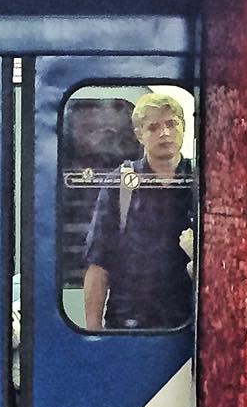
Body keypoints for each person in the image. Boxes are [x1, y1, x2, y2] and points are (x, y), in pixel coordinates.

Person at [83, 93, 195, 331]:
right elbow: (98, 265)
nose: (165, 133)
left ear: (183, 128)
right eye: (153, 127)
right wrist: (92, 335)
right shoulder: (121, 185)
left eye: (172, 124)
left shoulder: (203, 182)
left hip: (190, 329)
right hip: (128, 326)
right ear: (139, 135)